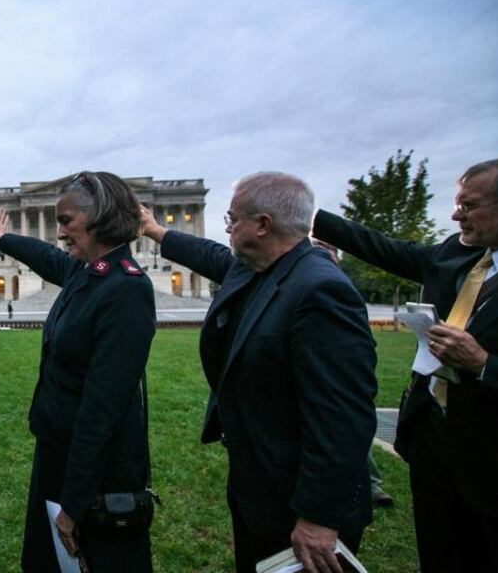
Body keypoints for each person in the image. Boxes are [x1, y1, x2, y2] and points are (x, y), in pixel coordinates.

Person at [139, 172, 377, 573]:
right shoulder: (261, 266)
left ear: (263, 225)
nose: (228, 228)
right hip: (261, 483)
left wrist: (318, 516)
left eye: (233, 220)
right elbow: (211, 257)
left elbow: (343, 415)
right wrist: (156, 232)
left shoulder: (320, 289)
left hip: (298, 499)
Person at [311, 158, 498, 572]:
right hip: (434, 445)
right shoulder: (460, 254)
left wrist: (484, 363)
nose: (457, 214)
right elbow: (387, 249)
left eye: (469, 205)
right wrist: (307, 215)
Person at [0, 171, 156, 572]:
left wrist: (74, 503)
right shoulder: (87, 270)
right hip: (60, 449)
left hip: (97, 470)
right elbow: (47, 259)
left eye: (66, 221)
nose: (59, 233)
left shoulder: (125, 288)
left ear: (101, 218)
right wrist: (2, 239)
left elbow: (103, 407)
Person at [311, 239, 394, 509]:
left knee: (351, 430)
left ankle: (371, 487)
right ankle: (368, 486)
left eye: (330, 254)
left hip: (343, 378)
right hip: (324, 376)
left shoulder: (336, 288)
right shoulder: (317, 284)